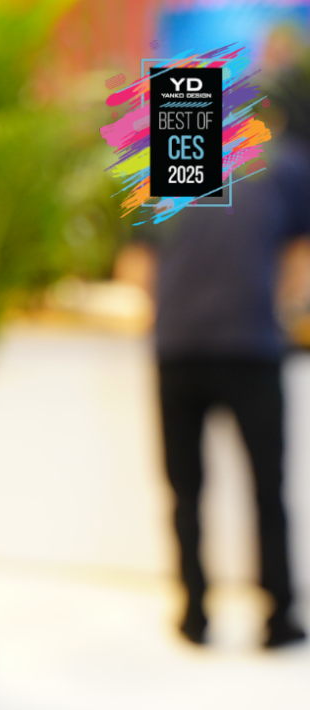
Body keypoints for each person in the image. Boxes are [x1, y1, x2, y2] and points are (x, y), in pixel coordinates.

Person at [143, 135, 309, 649]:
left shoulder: (174, 157)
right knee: (267, 489)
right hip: (250, 344)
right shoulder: (281, 163)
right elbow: (301, 258)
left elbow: (138, 266)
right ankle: (278, 616)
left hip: (180, 345)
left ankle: (194, 615)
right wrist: (278, 308)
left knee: (186, 490)